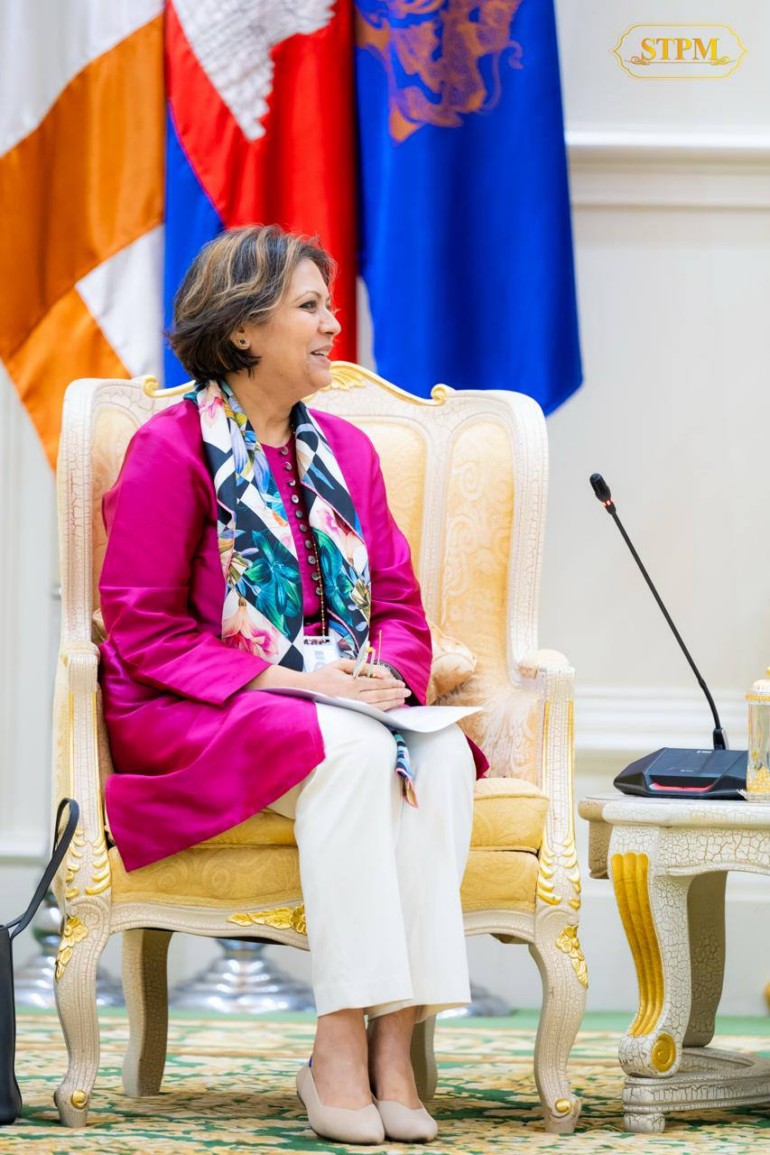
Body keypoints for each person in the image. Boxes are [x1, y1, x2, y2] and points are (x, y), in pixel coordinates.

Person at [98, 225, 487, 1145]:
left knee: (437, 754)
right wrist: (300, 681)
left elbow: (400, 604)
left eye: (328, 304)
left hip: (341, 701)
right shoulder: (169, 449)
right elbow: (143, 628)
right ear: (242, 331)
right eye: (310, 306)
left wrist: (385, 677)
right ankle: (338, 1045)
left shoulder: (347, 450)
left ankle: (396, 1045)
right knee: (350, 749)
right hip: (200, 709)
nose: (332, 324)